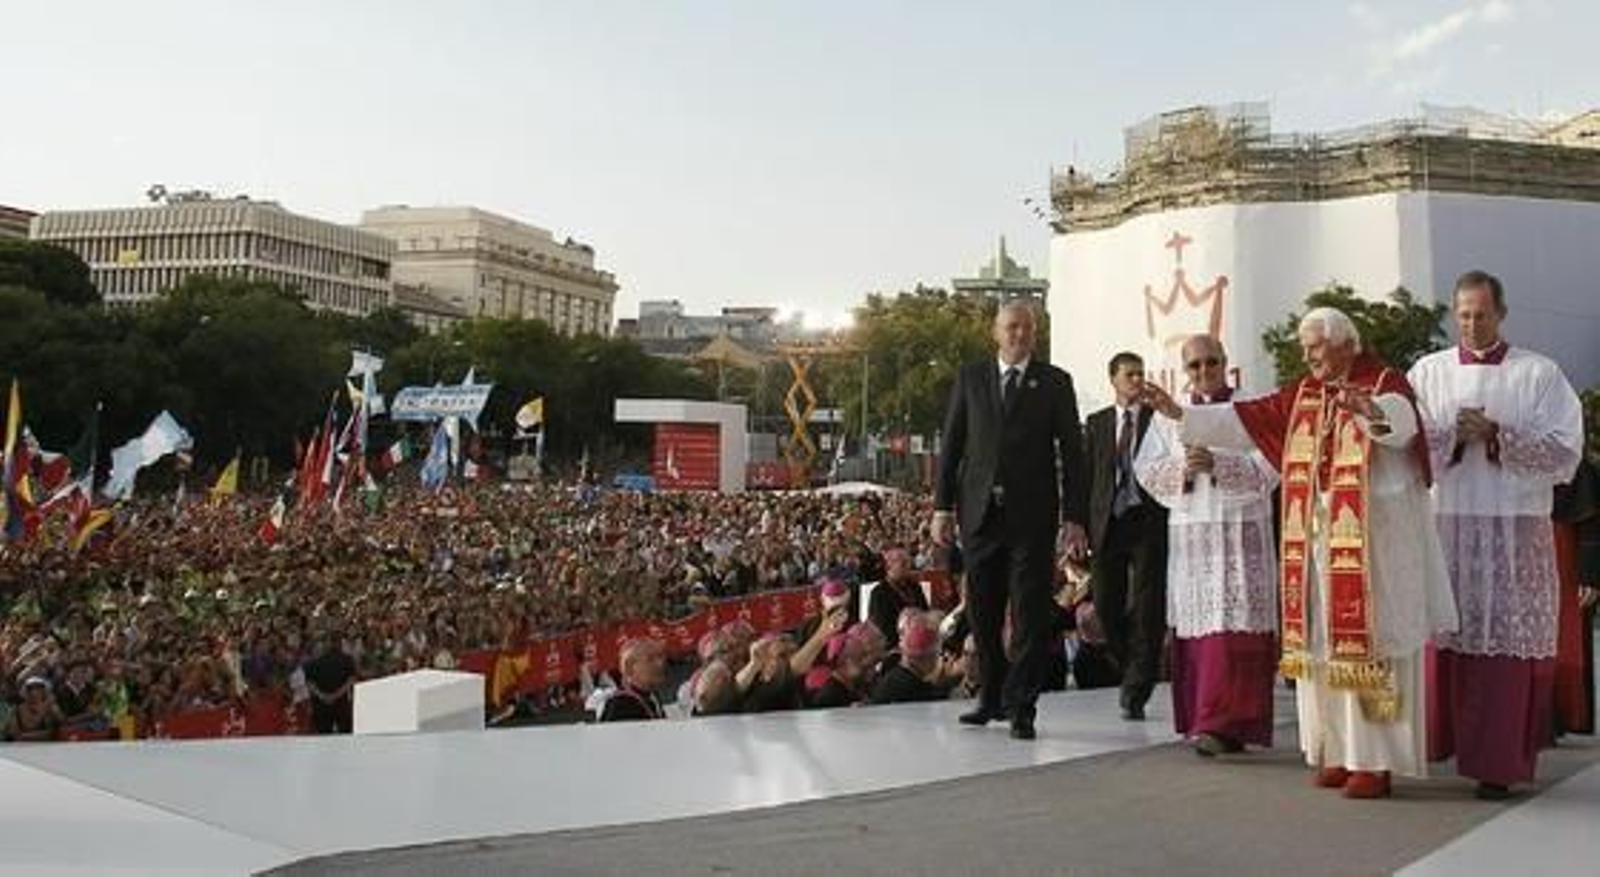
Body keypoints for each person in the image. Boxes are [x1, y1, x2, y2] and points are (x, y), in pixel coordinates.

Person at [1142, 307, 1458, 799]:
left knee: (1375, 646)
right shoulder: (1305, 393)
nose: (1306, 355)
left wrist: (1369, 411)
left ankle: (1375, 760)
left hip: (1375, 541)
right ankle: (1336, 750)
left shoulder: (1383, 380)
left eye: (1315, 346)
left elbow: (1404, 423)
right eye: (1305, 347)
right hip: (1320, 538)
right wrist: (1180, 413)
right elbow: (1246, 418)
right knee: (1323, 644)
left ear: (1346, 343)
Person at [1407, 270, 1585, 799]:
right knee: (1448, 635)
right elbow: (1404, 446)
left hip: (1512, 530)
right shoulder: (1427, 373)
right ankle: (1441, 744)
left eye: (1481, 314)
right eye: (1462, 314)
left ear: (1501, 313)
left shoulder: (1538, 373)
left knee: (1504, 649)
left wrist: (1498, 435)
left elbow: (1565, 452)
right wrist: (1448, 437)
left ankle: (1496, 764)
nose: (1471, 324)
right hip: (1449, 526)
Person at [933, 298, 1089, 740]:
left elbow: (1073, 455)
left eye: (1028, 327)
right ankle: (992, 695)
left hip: (1032, 518)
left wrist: (1075, 515)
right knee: (981, 612)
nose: (1020, 334)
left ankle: (1023, 706)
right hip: (979, 513)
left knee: (1028, 614)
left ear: (1035, 334)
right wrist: (942, 507)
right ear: (995, 332)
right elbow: (952, 446)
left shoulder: (1055, 382)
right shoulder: (971, 378)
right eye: (1012, 327)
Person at [1134, 335, 1278, 755]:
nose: (1203, 372)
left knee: (1238, 634)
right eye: (1194, 365)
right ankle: (1208, 721)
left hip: (1240, 531)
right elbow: (1147, 467)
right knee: (1203, 634)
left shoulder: (1251, 406)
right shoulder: (1168, 414)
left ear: (1225, 362)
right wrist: (1184, 467)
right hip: (1194, 532)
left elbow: (1272, 462)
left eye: (1211, 362)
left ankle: (1235, 724)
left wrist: (1220, 464)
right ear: (1185, 370)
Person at [1085, 352, 1170, 720]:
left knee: (1148, 605)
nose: (1137, 380)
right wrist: (1076, 523)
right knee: (1105, 603)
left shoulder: (1159, 421)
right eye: (1130, 374)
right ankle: (1129, 662)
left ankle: (1138, 685)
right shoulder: (1097, 423)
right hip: (1109, 522)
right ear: (1114, 379)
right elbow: (1089, 476)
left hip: (1148, 521)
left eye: (1140, 374)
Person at [867, 547, 930, 644]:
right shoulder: (879, 593)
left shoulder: (915, 586)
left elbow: (925, 612)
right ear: (889, 566)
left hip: (920, 638)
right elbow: (881, 627)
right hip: (895, 644)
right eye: (903, 563)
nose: (908, 567)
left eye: (909, 563)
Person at [598, 638, 667, 722]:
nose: (660, 664)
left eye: (660, 657)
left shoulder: (652, 697)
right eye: (650, 659)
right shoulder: (621, 705)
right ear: (629, 667)